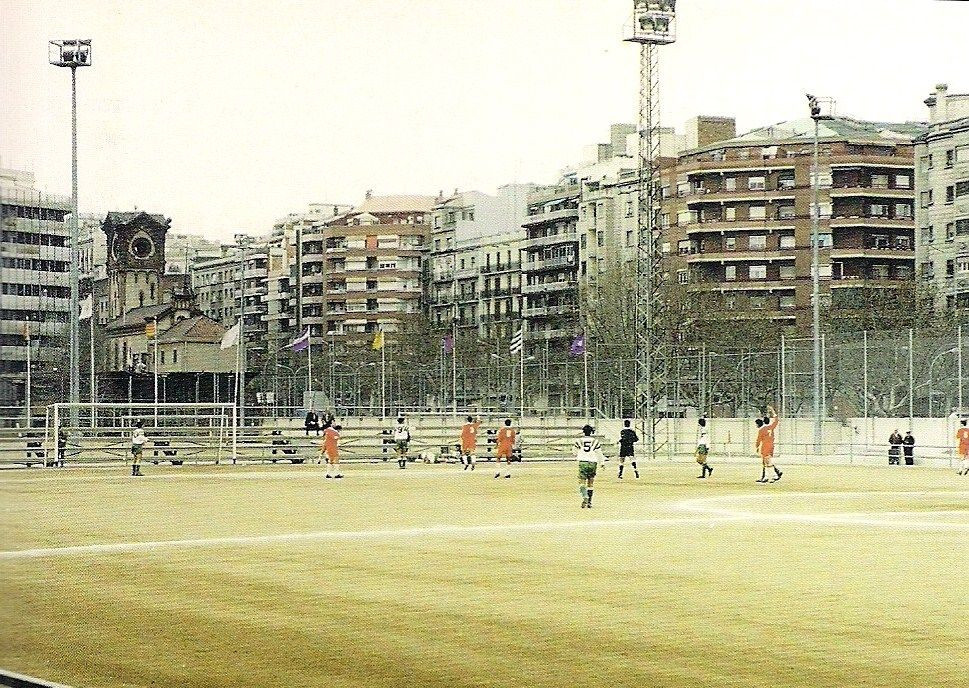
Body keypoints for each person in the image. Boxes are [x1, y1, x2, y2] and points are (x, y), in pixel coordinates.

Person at [575, 424, 607, 508]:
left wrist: (580, 453)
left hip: (583, 462)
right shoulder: (595, 441)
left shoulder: (579, 441)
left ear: (583, 431)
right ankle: (589, 502)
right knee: (590, 483)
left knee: (581, 482)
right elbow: (599, 453)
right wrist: (602, 463)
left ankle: (585, 496)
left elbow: (574, 452)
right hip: (593, 462)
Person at [754, 404, 782, 483]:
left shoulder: (762, 430)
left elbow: (758, 440)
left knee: (767, 461)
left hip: (765, 446)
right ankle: (766, 476)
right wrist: (773, 412)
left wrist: (756, 447)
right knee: (765, 461)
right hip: (771, 446)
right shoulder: (771, 427)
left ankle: (775, 475)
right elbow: (776, 420)